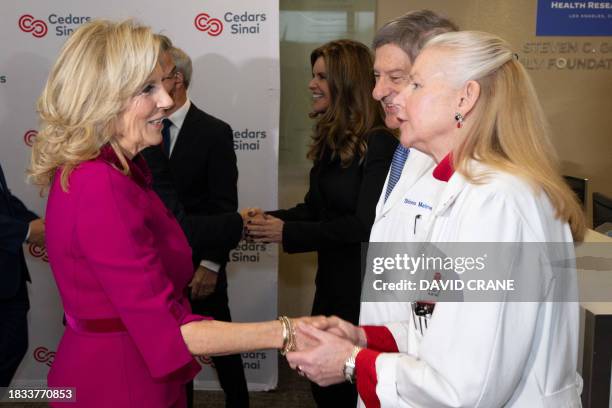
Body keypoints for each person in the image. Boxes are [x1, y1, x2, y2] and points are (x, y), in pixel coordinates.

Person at [286, 31, 586, 407]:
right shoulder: (467, 187)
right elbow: (444, 328)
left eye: (414, 83)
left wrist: (349, 361)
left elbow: (464, 389)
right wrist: (362, 337)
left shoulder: (497, 201)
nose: (393, 96)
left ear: (466, 97)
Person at [28, 19, 319, 408]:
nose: (166, 100)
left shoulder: (107, 171)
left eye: (162, 84)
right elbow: (169, 330)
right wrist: (288, 331)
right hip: (120, 384)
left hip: (123, 371)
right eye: (148, 88)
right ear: (105, 97)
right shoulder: (101, 184)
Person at [246, 40, 397, 407]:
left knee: (345, 387)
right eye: (313, 75)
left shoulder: (378, 144)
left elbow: (364, 225)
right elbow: (315, 209)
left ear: (346, 84)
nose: (312, 84)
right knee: (322, 384)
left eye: (322, 77)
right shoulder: (334, 142)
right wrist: (270, 221)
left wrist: (288, 233)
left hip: (361, 291)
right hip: (331, 282)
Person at [141, 41, 249, 408]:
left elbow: (224, 207)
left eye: (157, 78)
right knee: (173, 354)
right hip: (154, 268)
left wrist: (211, 264)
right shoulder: (137, 131)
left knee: (223, 348)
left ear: (178, 79)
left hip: (202, 264)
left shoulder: (214, 132)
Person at [360, 10, 458, 326]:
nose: (377, 91)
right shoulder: (408, 147)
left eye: (397, 78)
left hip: (423, 361)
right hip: (389, 351)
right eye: (377, 76)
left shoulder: (474, 177)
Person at [0, 162, 44, 389]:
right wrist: (26, 231)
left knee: (14, 347)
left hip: (10, 278)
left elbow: (4, 201)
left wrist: (37, 223)